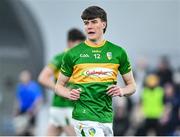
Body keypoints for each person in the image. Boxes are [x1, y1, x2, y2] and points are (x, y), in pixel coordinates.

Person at [55, 6, 136, 136]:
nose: (89, 26)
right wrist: (68, 93)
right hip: (83, 116)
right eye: (86, 23)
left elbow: (132, 86)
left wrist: (121, 91)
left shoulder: (118, 52)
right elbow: (59, 86)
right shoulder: (73, 54)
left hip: (106, 117)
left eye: (93, 22)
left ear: (103, 24)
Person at [38, 28, 86, 136]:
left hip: (60, 109)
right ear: (70, 43)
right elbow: (42, 77)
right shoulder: (61, 58)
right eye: (79, 44)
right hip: (65, 109)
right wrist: (60, 89)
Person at [14, 70, 43, 136]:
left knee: (31, 130)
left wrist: (34, 109)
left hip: (31, 111)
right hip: (22, 111)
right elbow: (18, 99)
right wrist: (16, 110)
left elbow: (39, 99)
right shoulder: (20, 87)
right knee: (20, 130)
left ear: (29, 77)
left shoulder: (34, 86)